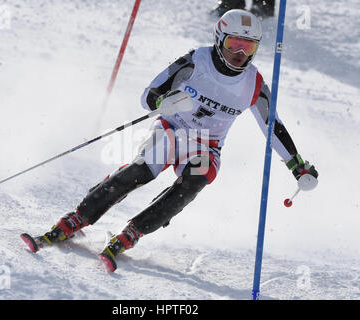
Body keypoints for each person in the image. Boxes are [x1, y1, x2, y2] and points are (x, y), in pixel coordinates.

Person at [21, 9, 318, 272]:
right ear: (219, 39)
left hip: (205, 144)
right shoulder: (195, 60)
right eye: (233, 44)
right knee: (140, 171)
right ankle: (77, 219)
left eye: (248, 46)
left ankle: (132, 232)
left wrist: (297, 165)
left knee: (194, 181)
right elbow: (148, 95)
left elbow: (272, 126)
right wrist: (164, 101)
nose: (239, 53)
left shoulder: (253, 83)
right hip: (173, 129)